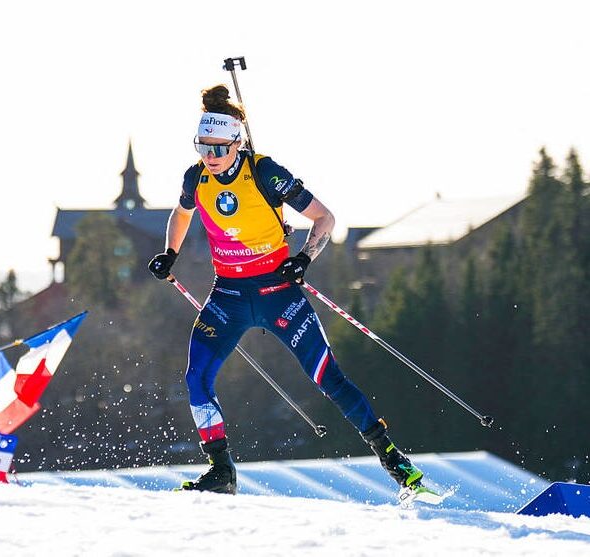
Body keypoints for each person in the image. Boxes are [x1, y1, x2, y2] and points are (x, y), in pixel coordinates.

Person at [148, 84, 425, 496]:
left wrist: (305, 257)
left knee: (327, 377)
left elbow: (325, 218)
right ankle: (221, 471)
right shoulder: (197, 177)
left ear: (236, 143)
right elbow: (182, 211)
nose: (210, 157)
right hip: (228, 296)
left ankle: (395, 462)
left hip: (278, 291)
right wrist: (169, 252)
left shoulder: (264, 171)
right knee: (196, 378)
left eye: (218, 149)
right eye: (202, 147)